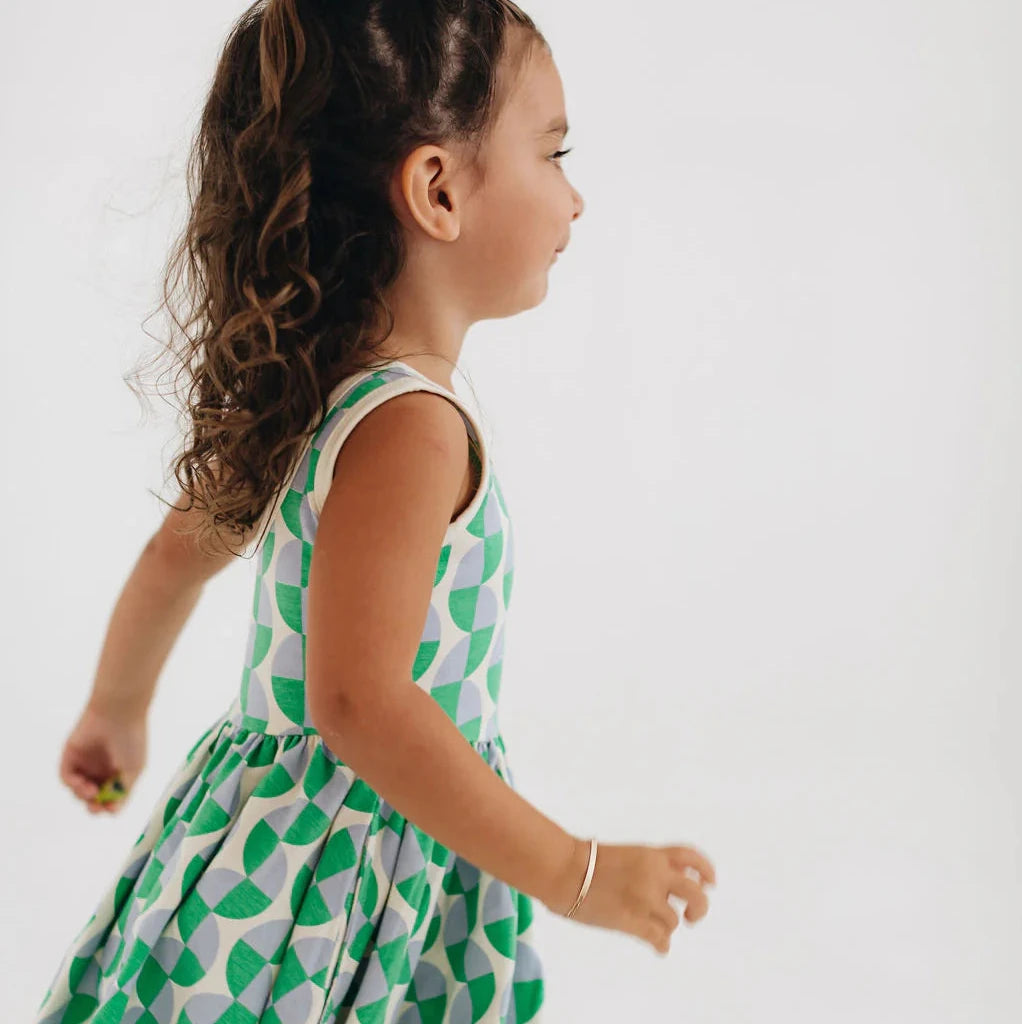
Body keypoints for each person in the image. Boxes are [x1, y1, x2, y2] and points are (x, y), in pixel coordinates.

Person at [34, 1, 716, 1021]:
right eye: (553, 152)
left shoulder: (309, 391)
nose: (575, 199)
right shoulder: (413, 429)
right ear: (438, 189)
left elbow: (173, 559)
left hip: (258, 846)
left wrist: (116, 710)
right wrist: (573, 871)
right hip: (344, 880)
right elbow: (359, 702)